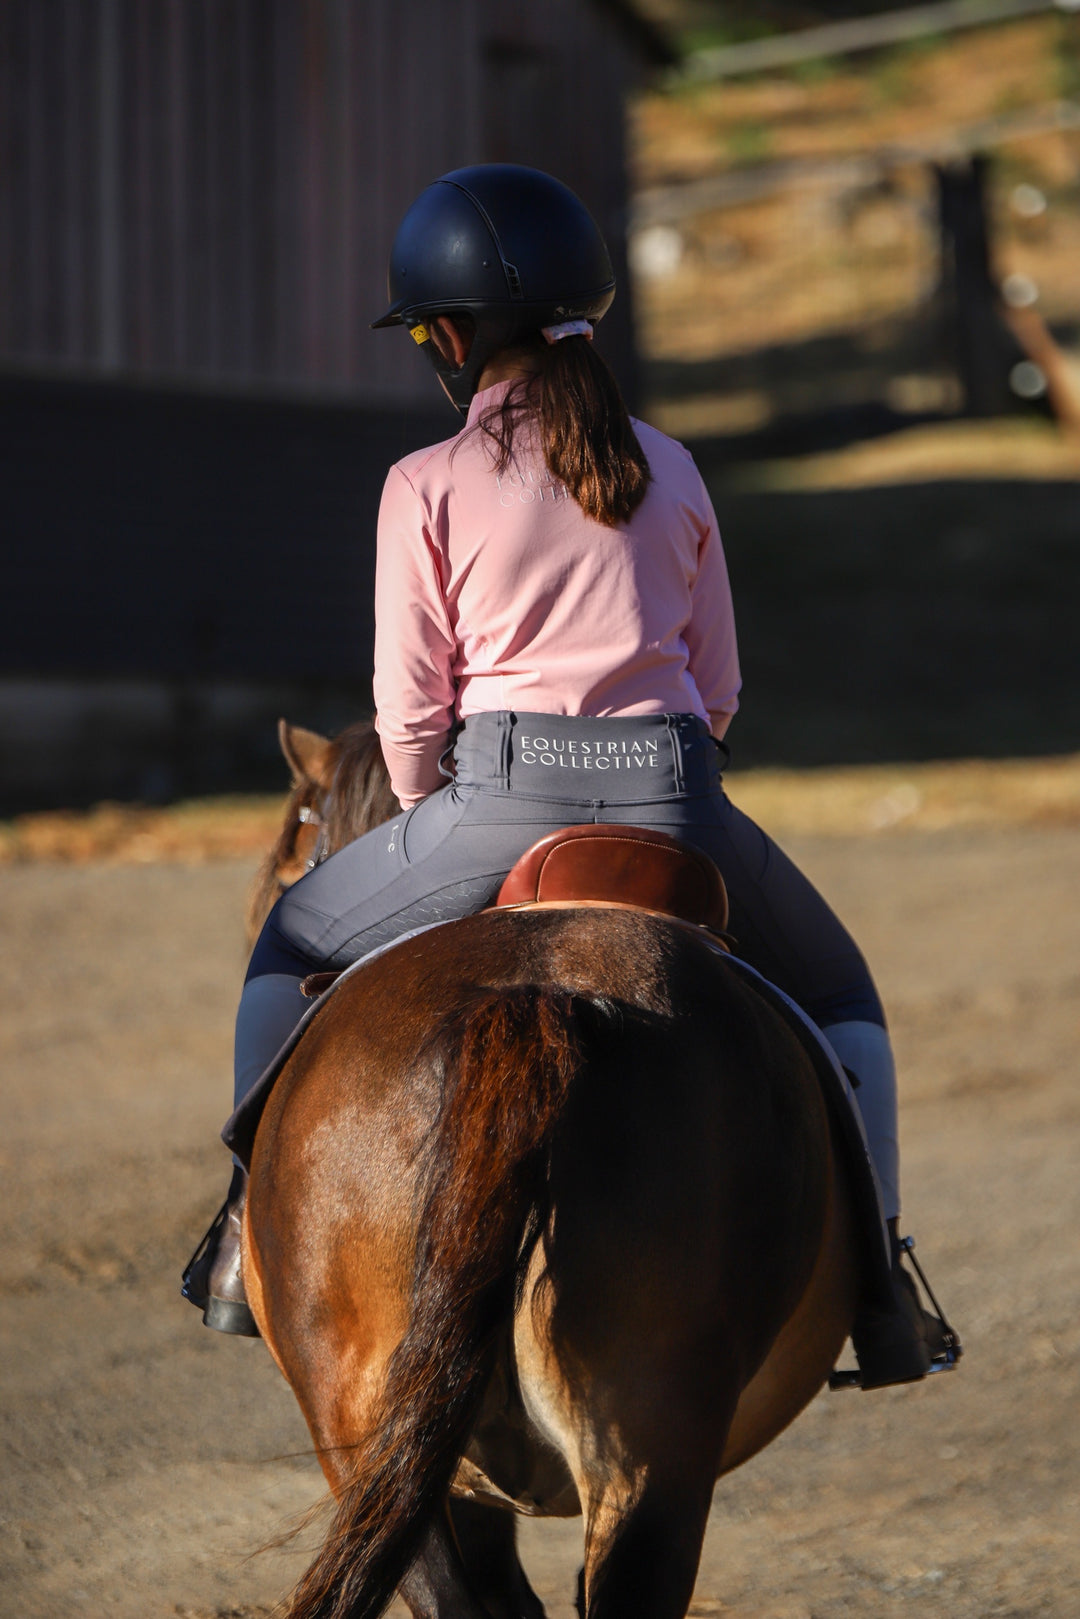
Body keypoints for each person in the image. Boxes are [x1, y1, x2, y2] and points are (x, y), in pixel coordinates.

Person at [183, 164, 945, 1385]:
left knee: (286, 945)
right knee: (845, 998)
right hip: (677, 797)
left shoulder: (423, 483)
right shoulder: (672, 465)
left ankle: (239, 1239)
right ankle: (886, 1288)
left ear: (452, 335)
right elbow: (723, 682)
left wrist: (436, 814)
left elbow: (407, 708)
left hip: (494, 796)